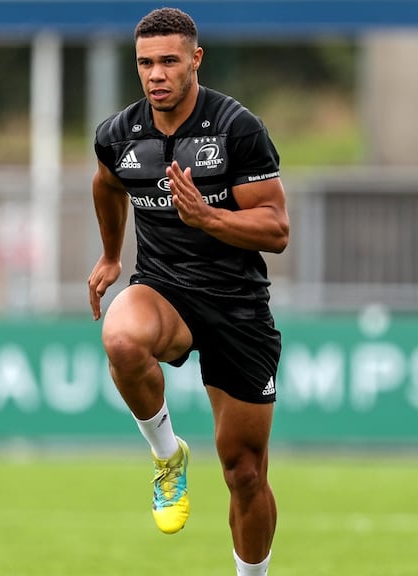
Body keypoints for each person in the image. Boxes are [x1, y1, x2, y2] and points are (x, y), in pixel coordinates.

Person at [87, 7, 289, 576]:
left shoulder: (237, 128)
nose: (156, 74)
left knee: (245, 472)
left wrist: (209, 218)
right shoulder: (119, 135)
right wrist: (110, 254)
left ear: (195, 60)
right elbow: (106, 184)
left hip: (237, 306)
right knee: (122, 339)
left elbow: (276, 230)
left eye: (169, 61)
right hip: (164, 289)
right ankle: (166, 455)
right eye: (146, 63)